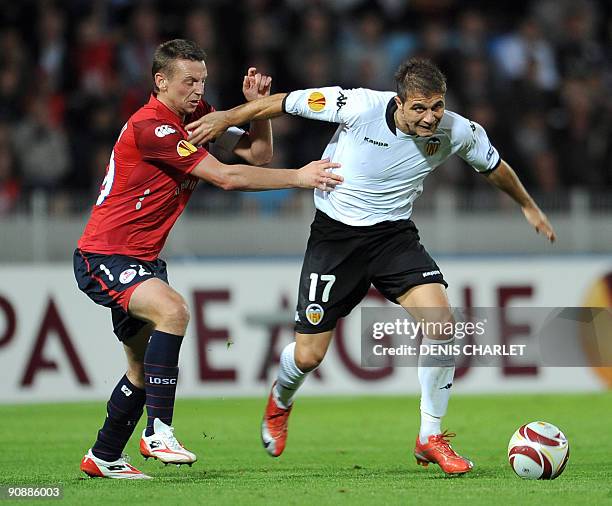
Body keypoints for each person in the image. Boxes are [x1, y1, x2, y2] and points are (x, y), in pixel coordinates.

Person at [186, 57, 556, 476]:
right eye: (419, 108)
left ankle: (429, 437)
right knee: (308, 356)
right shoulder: (357, 106)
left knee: (443, 324)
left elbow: (495, 168)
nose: (429, 117)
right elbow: (285, 103)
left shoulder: (459, 132)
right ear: (399, 103)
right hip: (336, 239)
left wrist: (527, 205)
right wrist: (226, 118)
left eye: (436, 106)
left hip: (393, 238)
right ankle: (281, 400)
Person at [74, 39, 342, 480]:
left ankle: (103, 455)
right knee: (174, 311)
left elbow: (257, 155)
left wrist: (258, 112)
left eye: (202, 80)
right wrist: (300, 177)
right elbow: (225, 177)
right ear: (161, 82)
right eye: (188, 82)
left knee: (142, 371)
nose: (198, 90)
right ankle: (158, 431)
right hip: (105, 253)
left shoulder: (196, 118)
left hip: (142, 260)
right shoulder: (152, 127)